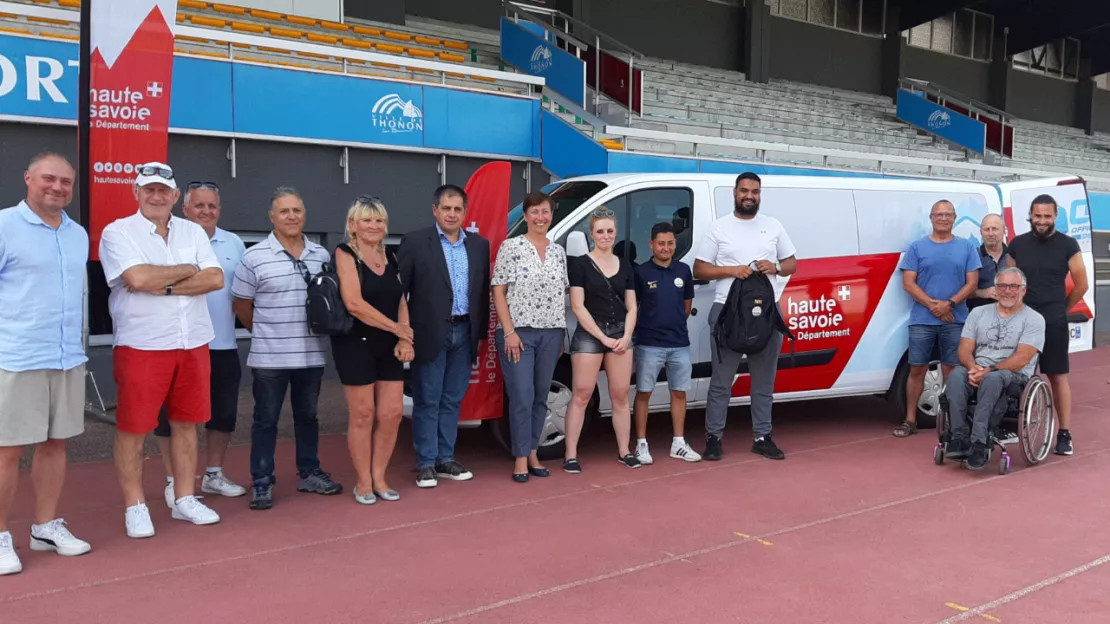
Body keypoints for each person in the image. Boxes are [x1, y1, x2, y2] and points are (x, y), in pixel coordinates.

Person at [99, 162, 224, 538]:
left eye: (163, 190)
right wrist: (188, 269)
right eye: (148, 189)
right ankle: (135, 504)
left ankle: (185, 498)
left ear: (174, 196)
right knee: (133, 428)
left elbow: (215, 278)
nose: (156, 196)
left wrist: (164, 282)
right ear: (136, 193)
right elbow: (136, 278)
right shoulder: (117, 231)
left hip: (193, 341)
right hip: (143, 344)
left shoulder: (191, 230)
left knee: (188, 423)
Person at [0, 153, 91, 574]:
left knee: (55, 445)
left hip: (66, 356)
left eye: (65, 182)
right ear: (28, 178)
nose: (57, 188)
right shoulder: (4, 226)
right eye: (48, 179)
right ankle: (0, 536)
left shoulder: (77, 234)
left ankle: (44, 527)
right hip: (16, 357)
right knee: (6, 450)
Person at [232, 187, 342, 511]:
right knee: (266, 420)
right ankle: (262, 481)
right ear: (272, 217)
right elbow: (241, 305)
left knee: (308, 417)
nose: (291, 217)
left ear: (304, 214)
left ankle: (309, 472)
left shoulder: (320, 254)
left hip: (311, 355)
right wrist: (267, 333)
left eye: (297, 210)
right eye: (284, 211)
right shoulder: (253, 257)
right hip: (270, 357)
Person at [153, 181, 247, 510]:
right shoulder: (167, 239)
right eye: (200, 206)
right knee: (172, 417)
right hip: (176, 345)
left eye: (212, 206)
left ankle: (213, 473)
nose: (207, 211)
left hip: (221, 345)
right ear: (185, 208)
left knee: (222, 415)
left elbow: (244, 293)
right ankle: (172, 479)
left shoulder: (234, 243)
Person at [694, 172, 797, 461]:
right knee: (721, 382)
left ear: (759, 194)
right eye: (744, 190)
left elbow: (792, 264)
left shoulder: (773, 226)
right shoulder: (719, 228)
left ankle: (762, 437)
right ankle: (713, 438)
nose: (749, 195)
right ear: (735, 193)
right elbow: (699, 269)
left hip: (766, 312)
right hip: (726, 310)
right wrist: (731, 270)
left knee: (764, 382)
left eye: (754, 191)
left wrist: (774, 266)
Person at [397, 185, 490, 489]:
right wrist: (404, 333)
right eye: (446, 208)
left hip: (465, 332)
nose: (452, 214)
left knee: (452, 400)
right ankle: (425, 463)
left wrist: (480, 335)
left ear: (465, 212)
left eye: (458, 209)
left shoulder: (479, 245)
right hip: (429, 333)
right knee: (427, 399)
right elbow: (401, 293)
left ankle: (445, 459)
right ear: (435, 210)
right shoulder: (415, 242)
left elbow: (481, 293)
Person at [332, 197, 413, 505]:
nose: (373, 226)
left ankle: (380, 477)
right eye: (366, 220)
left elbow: (402, 300)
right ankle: (363, 482)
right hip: (355, 344)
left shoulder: (390, 257)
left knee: (391, 414)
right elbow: (354, 304)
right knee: (363, 415)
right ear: (353, 224)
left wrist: (405, 339)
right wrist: (398, 330)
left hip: (388, 345)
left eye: (379, 220)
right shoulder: (344, 254)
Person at [492, 192, 568, 482]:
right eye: (534, 212)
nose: (540, 217)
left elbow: (561, 295)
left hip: (550, 333)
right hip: (518, 334)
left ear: (551, 216)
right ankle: (521, 457)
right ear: (525, 216)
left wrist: (561, 335)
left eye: (545, 212)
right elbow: (498, 290)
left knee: (540, 397)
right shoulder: (511, 247)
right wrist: (509, 331)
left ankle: (533, 451)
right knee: (522, 396)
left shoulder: (558, 252)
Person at [1007, 194, 1088, 456]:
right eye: (1037, 215)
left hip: (1053, 322)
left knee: (1057, 376)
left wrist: (1061, 310)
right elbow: (1010, 283)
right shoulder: (1017, 245)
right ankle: (1012, 426)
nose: (1041, 221)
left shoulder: (1068, 245)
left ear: (1055, 217)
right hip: (1023, 322)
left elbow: (1082, 285)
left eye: (1047, 216)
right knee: (1018, 375)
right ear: (1030, 215)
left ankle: (1064, 434)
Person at [894, 199, 980, 438]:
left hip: (956, 317)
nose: (943, 218)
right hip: (922, 319)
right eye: (938, 214)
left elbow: (972, 283)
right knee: (917, 369)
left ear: (954, 219)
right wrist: (934, 306)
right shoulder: (917, 248)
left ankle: (953, 421)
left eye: (948, 215)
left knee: (953, 370)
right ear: (931, 218)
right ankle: (910, 420)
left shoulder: (967, 248)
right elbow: (908, 283)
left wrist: (949, 304)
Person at [943, 267, 1044, 470]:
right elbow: (964, 349)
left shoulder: (1034, 319)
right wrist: (973, 368)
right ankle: (959, 436)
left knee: (993, 379)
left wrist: (988, 371)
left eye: (1013, 286)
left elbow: (1022, 358)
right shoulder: (978, 313)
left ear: (1023, 290)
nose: (1007, 291)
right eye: (1002, 286)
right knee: (956, 376)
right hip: (979, 368)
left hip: (1014, 375)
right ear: (995, 290)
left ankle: (980, 442)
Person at [565, 208, 638, 471]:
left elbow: (632, 306)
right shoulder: (580, 264)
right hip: (590, 334)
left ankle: (624, 450)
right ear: (591, 234)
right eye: (600, 231)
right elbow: (577, 306)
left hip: (621, 334)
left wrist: (626, 336)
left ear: (615, 233)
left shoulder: (625, 265)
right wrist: (602, 338)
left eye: (609, 231)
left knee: (620, 396)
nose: (605, 236)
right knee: (582, 394)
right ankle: (571, 455)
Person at [632, 222, 701, 465]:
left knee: (679, 392)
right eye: (661, 243)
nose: (666, 248)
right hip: (649, 344)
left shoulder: (683, 271)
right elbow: (634, 307)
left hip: (680, 343)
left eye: (670, 243)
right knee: (643, 393)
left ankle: (679, 443)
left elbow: (687, 306)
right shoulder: (641, 272)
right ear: (651, 244)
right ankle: (641, 444)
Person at [967, 214, 1010, 310]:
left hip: (1011, 316)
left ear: (1004, 231)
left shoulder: (1013, 256)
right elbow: (960, 292)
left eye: (995, 229)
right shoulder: (972, 257)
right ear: (981, 232)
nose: (990, 234)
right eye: (987, 229)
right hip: (980, 316)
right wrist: (982, 293)